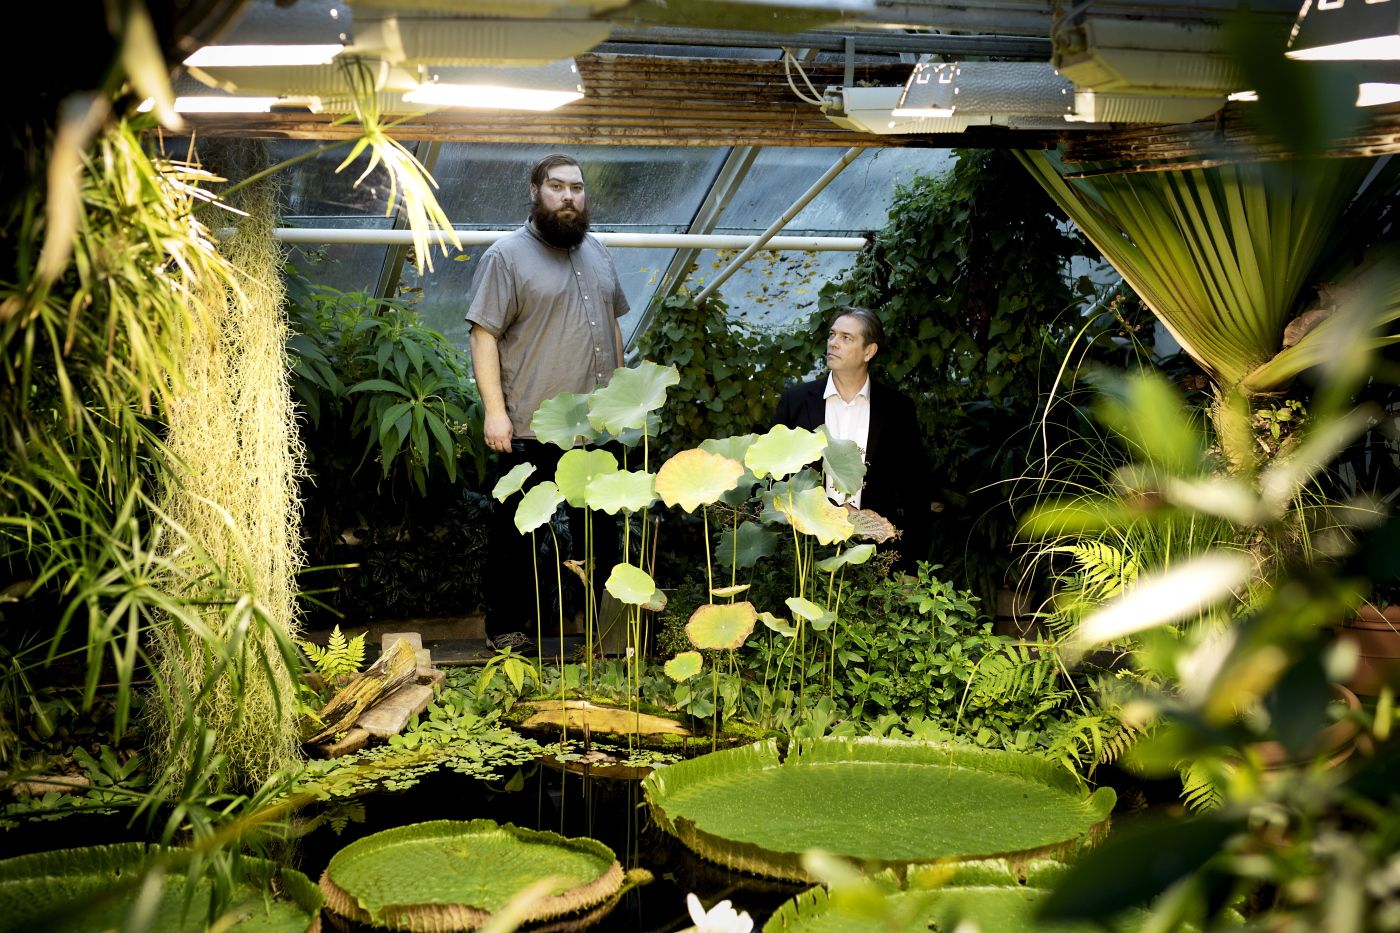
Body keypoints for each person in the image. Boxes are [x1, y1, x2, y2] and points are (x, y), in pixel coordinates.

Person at [467, 153, 629, 651]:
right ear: (535, 191)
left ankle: (606, 631)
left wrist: (624, 404)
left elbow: (614, 328)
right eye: (557, 187)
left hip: (597, 427)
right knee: (517, 532)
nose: (568, 197)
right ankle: (507, 630)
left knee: (602, 534)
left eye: (576, 188)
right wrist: (496, 412)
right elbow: (483, 335)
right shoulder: (505, 256)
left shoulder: (598, 253)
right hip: (532, 426)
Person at [773, 306, 927, 566]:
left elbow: (915, 491)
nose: (833, 343)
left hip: (876, 549)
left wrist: (909, 565)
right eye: (832, 335)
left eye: (846, 338)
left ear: (869, 351)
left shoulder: (897, 408)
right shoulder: (796, 401)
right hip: (804, 548)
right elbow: (772, 475)